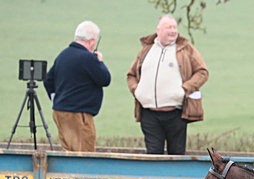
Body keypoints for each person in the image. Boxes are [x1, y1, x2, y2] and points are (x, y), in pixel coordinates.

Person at [126, 15, 209, 155]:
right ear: (158, 30)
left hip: (176, 114)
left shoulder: (186, 49)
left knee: (176, 155)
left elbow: (202, 72)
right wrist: (136, 90)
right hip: (149, 114)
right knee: (153, 155)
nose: (173, 31)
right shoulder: (146, 50)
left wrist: (184, 89)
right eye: (169, 27)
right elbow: (131, 75)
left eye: (174, 27)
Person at [44, 21, 111, 152]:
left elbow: (48, 80)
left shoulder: (63, 55)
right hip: (79, 115)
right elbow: (105, 79)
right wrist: (100, 61)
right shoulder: (88, 58)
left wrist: (57, 99)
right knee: (84, 154)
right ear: (92, 41)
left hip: (60, 112)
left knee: (67, 151)